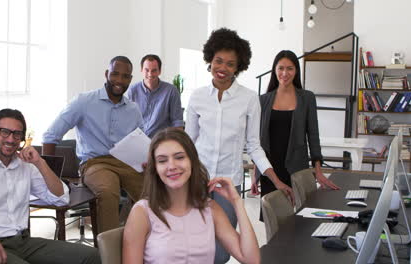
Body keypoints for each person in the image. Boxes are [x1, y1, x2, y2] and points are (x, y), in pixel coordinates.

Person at [185, 27, 292, 264]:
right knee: (193, 245)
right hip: (195, 181)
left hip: (227, 184)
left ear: (238, 67)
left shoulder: (249, 99)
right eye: (218, 61)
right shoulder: (197, 96)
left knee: (222, 253)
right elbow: (188, 143)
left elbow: (254, 146)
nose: (222, 68)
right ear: (210, 60)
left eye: (230, 64)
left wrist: (275, 180)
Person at [0, 108, 100, 264]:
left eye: (17, 134)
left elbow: (61, 199)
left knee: (92, 256)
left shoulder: (26, 166)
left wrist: (40, 162)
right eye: (5, 132)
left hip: (22, 242)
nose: (11, 139)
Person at [123, 128, 260, 264]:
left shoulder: (210, 209)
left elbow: (252, 260)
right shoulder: (142, 212)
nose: (171, 166)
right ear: (156, 169)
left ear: (192, 161)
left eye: (179, 157)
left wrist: (237, 202)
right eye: (162, 160)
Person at [42, 56, 144, 234]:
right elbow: (50, 136)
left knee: (156, 190)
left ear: (130, 79)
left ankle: (136, 237)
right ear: (106, 74)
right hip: (95, 163)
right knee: (107, 192)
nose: (120, 80)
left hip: (127, 162)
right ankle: (108, 253)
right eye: (115, 74)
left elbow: (141, 141)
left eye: (125, 76)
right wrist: (48, 175)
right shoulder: (83, 102)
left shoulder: (133, 109)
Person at [256, 50, 339, 202]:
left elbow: (313, 136)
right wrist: (256, 173)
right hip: (270, 169)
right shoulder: (263, 100)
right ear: (274, 70)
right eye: (281, 68)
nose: (284, 73)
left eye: (290, 68)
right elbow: (258, 140)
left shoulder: (307, 98)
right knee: (272, 217)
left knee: (298, 217)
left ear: (296, 71)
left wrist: (318, 172)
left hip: (296, 166)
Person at [127, 54, 184, 138]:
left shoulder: (171, 91)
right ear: (141, 70)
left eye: (154, 70)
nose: (150, 74)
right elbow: (129, 120)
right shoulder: (132, 91)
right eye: (147, 70)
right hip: (138, 140)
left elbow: (177, 122)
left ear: (159, 71)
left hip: (161, 141)